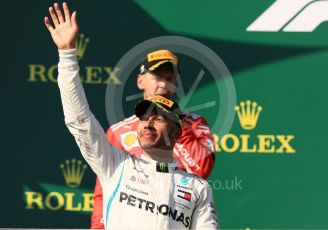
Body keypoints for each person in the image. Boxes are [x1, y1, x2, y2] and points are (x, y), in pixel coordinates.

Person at [44, 3, 219, 229]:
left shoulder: (198, 188)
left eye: (158, 117)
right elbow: (79, 120)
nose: (147, 123)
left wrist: (180, 121)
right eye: (144, 117)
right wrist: (67, 54)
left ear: (177, 132)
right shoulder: (116, 165)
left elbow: (201, 168)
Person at [91, 15, 216, 230]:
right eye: (158, 77)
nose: (164, 85)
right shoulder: (118, 132)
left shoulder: (195, 124)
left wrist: (177, 122)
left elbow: (201, 170)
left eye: (170, 79)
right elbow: (104, 190)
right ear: (141, 81)